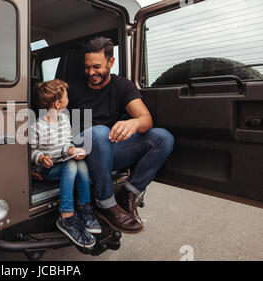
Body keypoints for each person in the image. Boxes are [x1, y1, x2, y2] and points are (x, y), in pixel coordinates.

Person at [67, 37, 174, 234]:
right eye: (87, 67)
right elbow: (52, 119)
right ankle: (105, 203)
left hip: (107, 151)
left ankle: (128, 193)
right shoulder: (72, 88)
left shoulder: (122, 86)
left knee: (163, 138)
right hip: (80, 152)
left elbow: (146, 119)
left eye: (96, 66)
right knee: (99, 132)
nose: (91, 72)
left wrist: (133, 122)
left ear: (111, 62)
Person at [29, 79, 101, 248]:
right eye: (66, 95)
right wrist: (40, 158)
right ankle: (66, 215)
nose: (69, 98)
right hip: (47, 169)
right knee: (71, 165)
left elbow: (67, 142)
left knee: (80, 164)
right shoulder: (37, 126)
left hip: (64, 163)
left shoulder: (63, 120)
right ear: (58, 102)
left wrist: (72, 150)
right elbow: (31, 151)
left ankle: (84, 208)